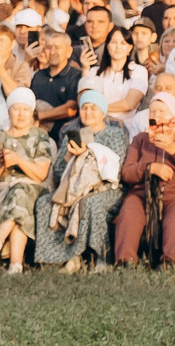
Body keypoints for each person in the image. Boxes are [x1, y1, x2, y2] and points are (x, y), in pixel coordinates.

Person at [36, 90, 127, 272]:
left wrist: (87, 154)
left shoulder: (114, 134)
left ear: (103, 111)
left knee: (90, 203)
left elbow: (115, 170)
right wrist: (70, 156)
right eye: (84, 108)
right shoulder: (73, 135)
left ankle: (100, 257)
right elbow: (58, 173)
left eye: (93, 108)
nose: (88, 112)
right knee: (45, 202)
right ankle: (56, 258)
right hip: (73, 188)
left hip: (106, 189)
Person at [114, 94, 175, 267]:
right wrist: (150, 168)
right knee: (129, 213)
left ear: (173, 113)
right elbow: (127, 172)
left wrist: (173, 149)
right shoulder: (141, 139)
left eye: (162, 110)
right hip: (143, 194)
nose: (156, 114)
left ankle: (171, 263)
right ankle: (125, 262)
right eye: (152, 111)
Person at [0, 89, 54, 273]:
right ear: (9, 111)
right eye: (16, 109)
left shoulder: (40, 136)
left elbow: (41, 174)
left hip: (35, 189)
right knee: (20, 203)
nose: (21, 114)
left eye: (25, 109)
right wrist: (0, 164)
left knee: (21, 190)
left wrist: (18, 161)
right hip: (3, 191)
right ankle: (15, 265)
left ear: (32, 113)